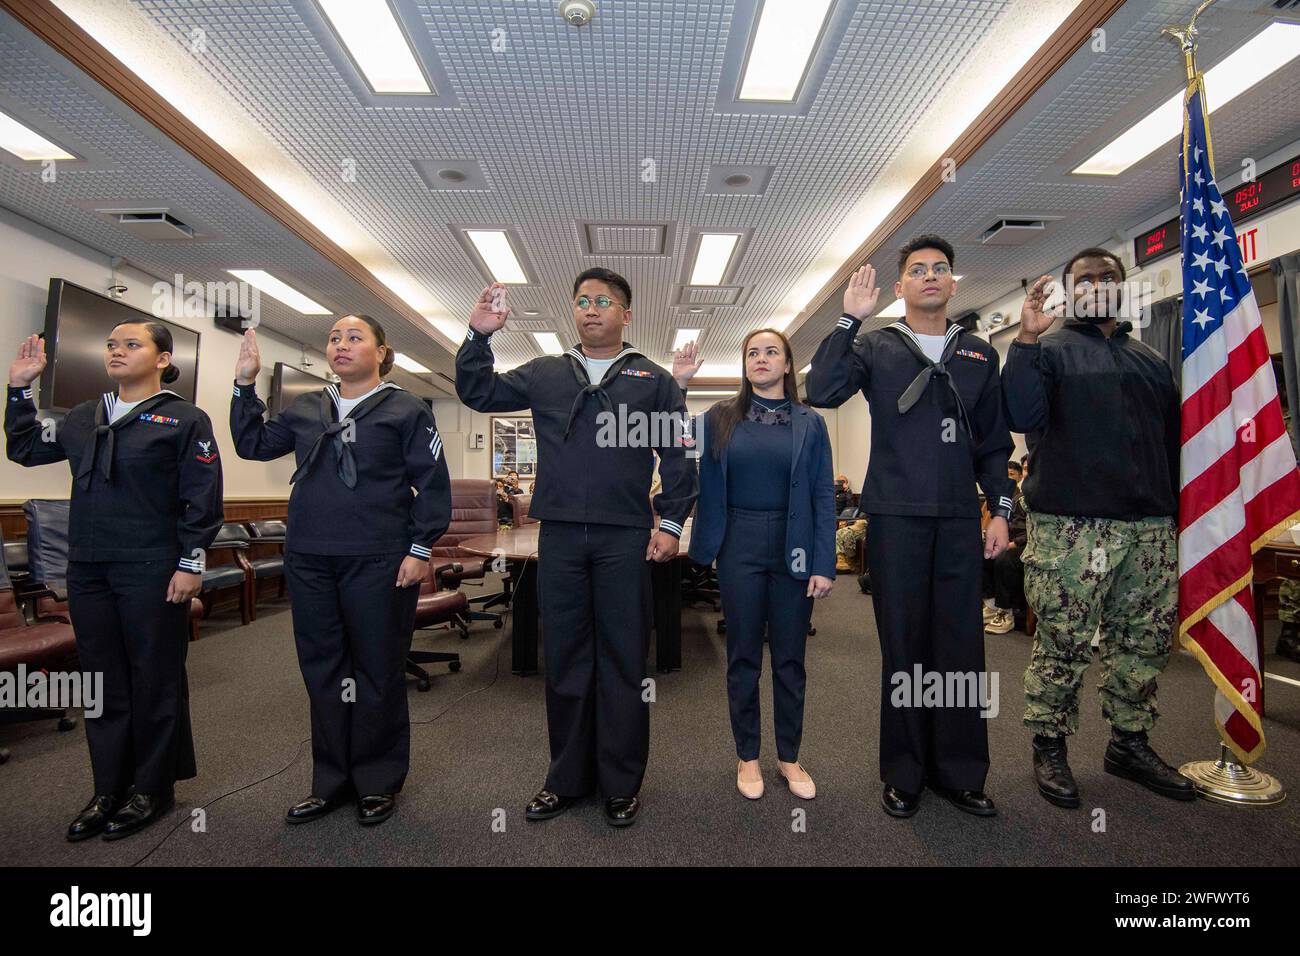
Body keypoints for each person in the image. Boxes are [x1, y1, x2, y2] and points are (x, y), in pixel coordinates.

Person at [456, 268, 697, 827]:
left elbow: (679, 452)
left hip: (624, 536)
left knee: (623, 658)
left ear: (626, 315)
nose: (591, 309)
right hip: (560, 535)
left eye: (604, 301)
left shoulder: (653, 380)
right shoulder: (546, 372)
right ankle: (565, 779)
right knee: (565, 658)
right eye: (583, 300)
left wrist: (672, 522)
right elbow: (478, 391)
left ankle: (620, 783)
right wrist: (478, 336)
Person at [807, 235, 1015, 819]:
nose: (930, 276)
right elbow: (822, 390)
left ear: (952, 283)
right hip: (897, 516)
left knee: (961, 649)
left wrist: (1001, 510)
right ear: (900, 287)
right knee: (905, 648)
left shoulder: (978, 353)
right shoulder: (877, 346)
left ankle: (961, 772)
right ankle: (905, 773)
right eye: (917, 270)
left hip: (958, 518)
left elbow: (994, 442)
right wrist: (850, 318)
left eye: (940, 269)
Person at [230, 316, 451, 826]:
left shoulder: (406, 408)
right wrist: (244, 385)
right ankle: (329, 782)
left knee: (376, 670)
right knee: (323, 670)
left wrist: (420, 549)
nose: (341, 345)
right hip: (311, 558)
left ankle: (377, 781)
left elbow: (433, 483)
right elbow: (253, 445)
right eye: (334, 338)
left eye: (354, 337)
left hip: (379, 558)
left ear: (382, 351)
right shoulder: (306, 406)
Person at [6, 323, 222, 841]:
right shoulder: (85, 416)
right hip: (89, 569)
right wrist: (19, 390)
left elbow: (203, 498)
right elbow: (27, 448)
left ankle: (152, 787)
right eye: (111, 345)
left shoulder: (184, 419)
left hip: (152, 567)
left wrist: (190, 564)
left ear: (163, 358)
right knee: (101, 683)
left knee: (154, 677)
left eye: (131, 345)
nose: (117, 352)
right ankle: (109, 788)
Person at [1004, 247, 1194, 808]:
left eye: (1106, 277)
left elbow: (1172, 443)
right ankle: (1049, 745)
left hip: (1148, 527)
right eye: (1083, 280)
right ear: (1069, 293)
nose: (1095, 286)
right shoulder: (1049, 350)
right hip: (1072, 528)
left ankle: (1129, 743)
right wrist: (1025, 340)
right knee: (1063, 642)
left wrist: (1175, 516)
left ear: (1122, 285)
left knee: (1144, 642)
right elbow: (1020, 415)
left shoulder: (1150, 360)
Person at [680, 329, 835, 801]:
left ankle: (789, 756)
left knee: (790, 659)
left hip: (795, 544)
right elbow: (676, 443)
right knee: (743, 656)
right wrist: (679, 386)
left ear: (788, 364)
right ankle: (747, 756)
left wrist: (824, 562)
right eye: (752, 353)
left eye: (771, 352)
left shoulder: (811, 423)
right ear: (745, 364)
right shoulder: (720, 417)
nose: (761, 359)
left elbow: (822, 494)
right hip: (738, 543)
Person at [983, 460, 1027, 634]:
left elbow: (1036, 530)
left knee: (1005, 559)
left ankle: (1005, 612)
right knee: (984, 552)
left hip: (1029, 544)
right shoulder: (1016, 498)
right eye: (1025, 469)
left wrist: (1014, 543)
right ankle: (991, 605)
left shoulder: (1039, 498)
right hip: (1011, 541)